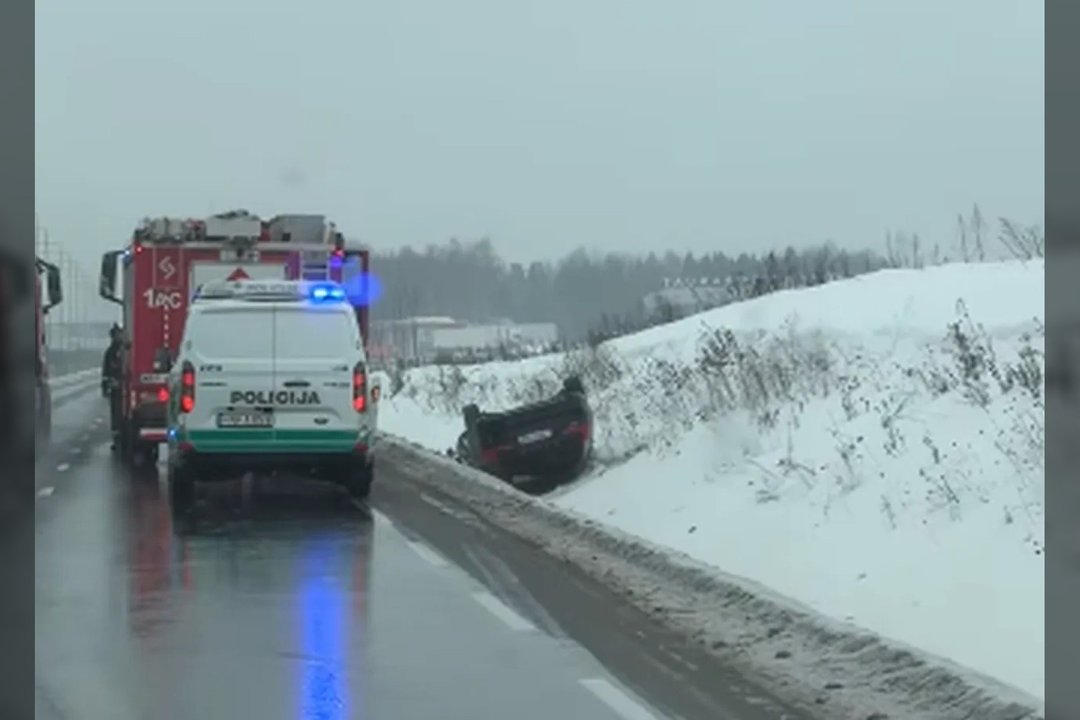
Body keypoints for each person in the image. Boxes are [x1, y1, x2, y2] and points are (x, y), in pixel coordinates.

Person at [102, 324, 123, 449]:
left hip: (118, 388)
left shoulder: (119, 350)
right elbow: (106, 371)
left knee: (117, 414)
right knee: (116, 414)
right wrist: (106, 385)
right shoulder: (111, 352)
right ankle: (117, 438)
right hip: (116, 388)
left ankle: (118, 437)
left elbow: (106, 371)